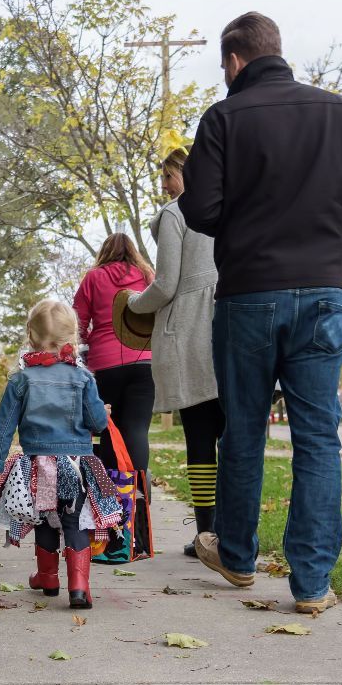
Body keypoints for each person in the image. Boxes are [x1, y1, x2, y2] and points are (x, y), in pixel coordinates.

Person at [178, 11, 342, 615]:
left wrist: (245, 225)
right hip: (323, 294)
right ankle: (311, 584)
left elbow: (198, 209)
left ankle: (241, 559)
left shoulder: (223, 118)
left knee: (244, 428)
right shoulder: (340, 110)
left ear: (234, 61)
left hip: (248, 293)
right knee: (318, 438)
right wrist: (340, 247)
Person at [0, 300, 126, 609]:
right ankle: (79, 586)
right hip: (75, 465)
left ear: (31, 338)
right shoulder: (83, 377)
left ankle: (48, 577)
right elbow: (98, 423)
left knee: (47, 519)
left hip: (37, 465)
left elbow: (4, 424)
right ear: (72, 340)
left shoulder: (21, 380)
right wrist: (103, 412)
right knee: (74, 522)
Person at [124, 148, 223, 558]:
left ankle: (207, 534)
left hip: (191, 331)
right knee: (234, 438)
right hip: (232, 323)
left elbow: (165, 285)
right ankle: (236, 532)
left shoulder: (175, 214)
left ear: (186, 174)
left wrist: (131, 306)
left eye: (168, 176)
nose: (164, 186)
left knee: (199, 437)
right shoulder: (228, 204)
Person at [73, 234, 157, 502]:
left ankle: (109, 503)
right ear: (133, 252)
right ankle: (139, 497)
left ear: (104, 252)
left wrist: (87, 347)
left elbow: (77, 323)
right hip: (144, 361)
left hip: (105, 365)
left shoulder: (93, 278)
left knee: (110, 429)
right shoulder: (147, 275)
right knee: (137, 429)